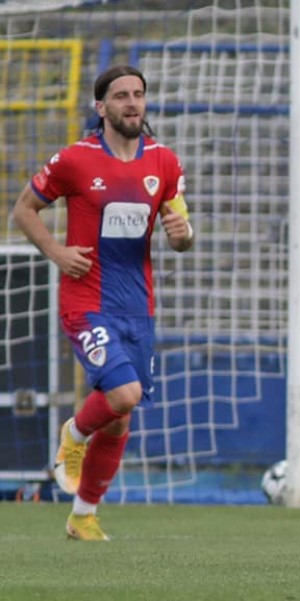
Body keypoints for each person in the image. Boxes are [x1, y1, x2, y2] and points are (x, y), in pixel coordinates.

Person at [13, 64, 194, 541]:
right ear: (101, 107)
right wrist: (56, 252)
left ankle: (83, 517)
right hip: (86, 300)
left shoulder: (165, 162)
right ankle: (72, 435)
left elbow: (181, 235)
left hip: (137, 306)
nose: (132, 103)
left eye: (138, 94)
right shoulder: (76, 159)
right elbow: (24, 209)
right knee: (123, 394)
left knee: (120, 417)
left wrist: (183, 233)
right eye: (120, 96)